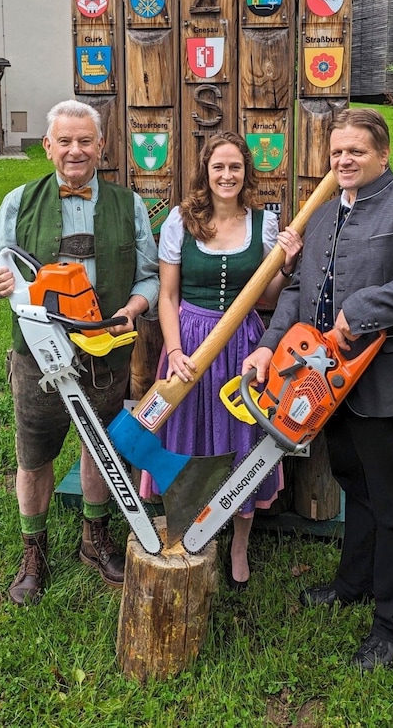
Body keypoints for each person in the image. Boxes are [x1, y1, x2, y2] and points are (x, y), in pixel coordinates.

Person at [243, 108, 393, 669]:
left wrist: (364, 309)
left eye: (356, 152)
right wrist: (270, 343)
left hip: (385, 382)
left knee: (391, 501)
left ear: (383, 155)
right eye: (337, 153)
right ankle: (354, 583)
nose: (344, 161)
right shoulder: (320, 216)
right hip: (323, 382)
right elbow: (295, 290)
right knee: (353, 484)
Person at [0, 100, 159, 603]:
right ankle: (33, 550)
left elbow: (149, 276)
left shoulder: (131, 206)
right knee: (33, 454)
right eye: (65, 141)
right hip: (36, 357)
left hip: (106, 351)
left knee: (101, 449)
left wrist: (133, 308)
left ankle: (94, 537)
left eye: (85, 141)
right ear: (49, 146)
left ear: (101, 146)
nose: (75, 150)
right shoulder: (20, 201)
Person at [140, 132, 302, 589]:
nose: (227, 176)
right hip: (189, 341)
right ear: (205, 173)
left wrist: (286, 265)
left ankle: (238, 544)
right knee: (187, 437)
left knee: (242, 440)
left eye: (235, 167)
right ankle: (187, 527)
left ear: (246, 172)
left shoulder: (263, 225)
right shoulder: (181, 220)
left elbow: (268, 297)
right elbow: (167, 296)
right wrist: (173, 352)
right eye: (219, 168)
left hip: (243, 344)